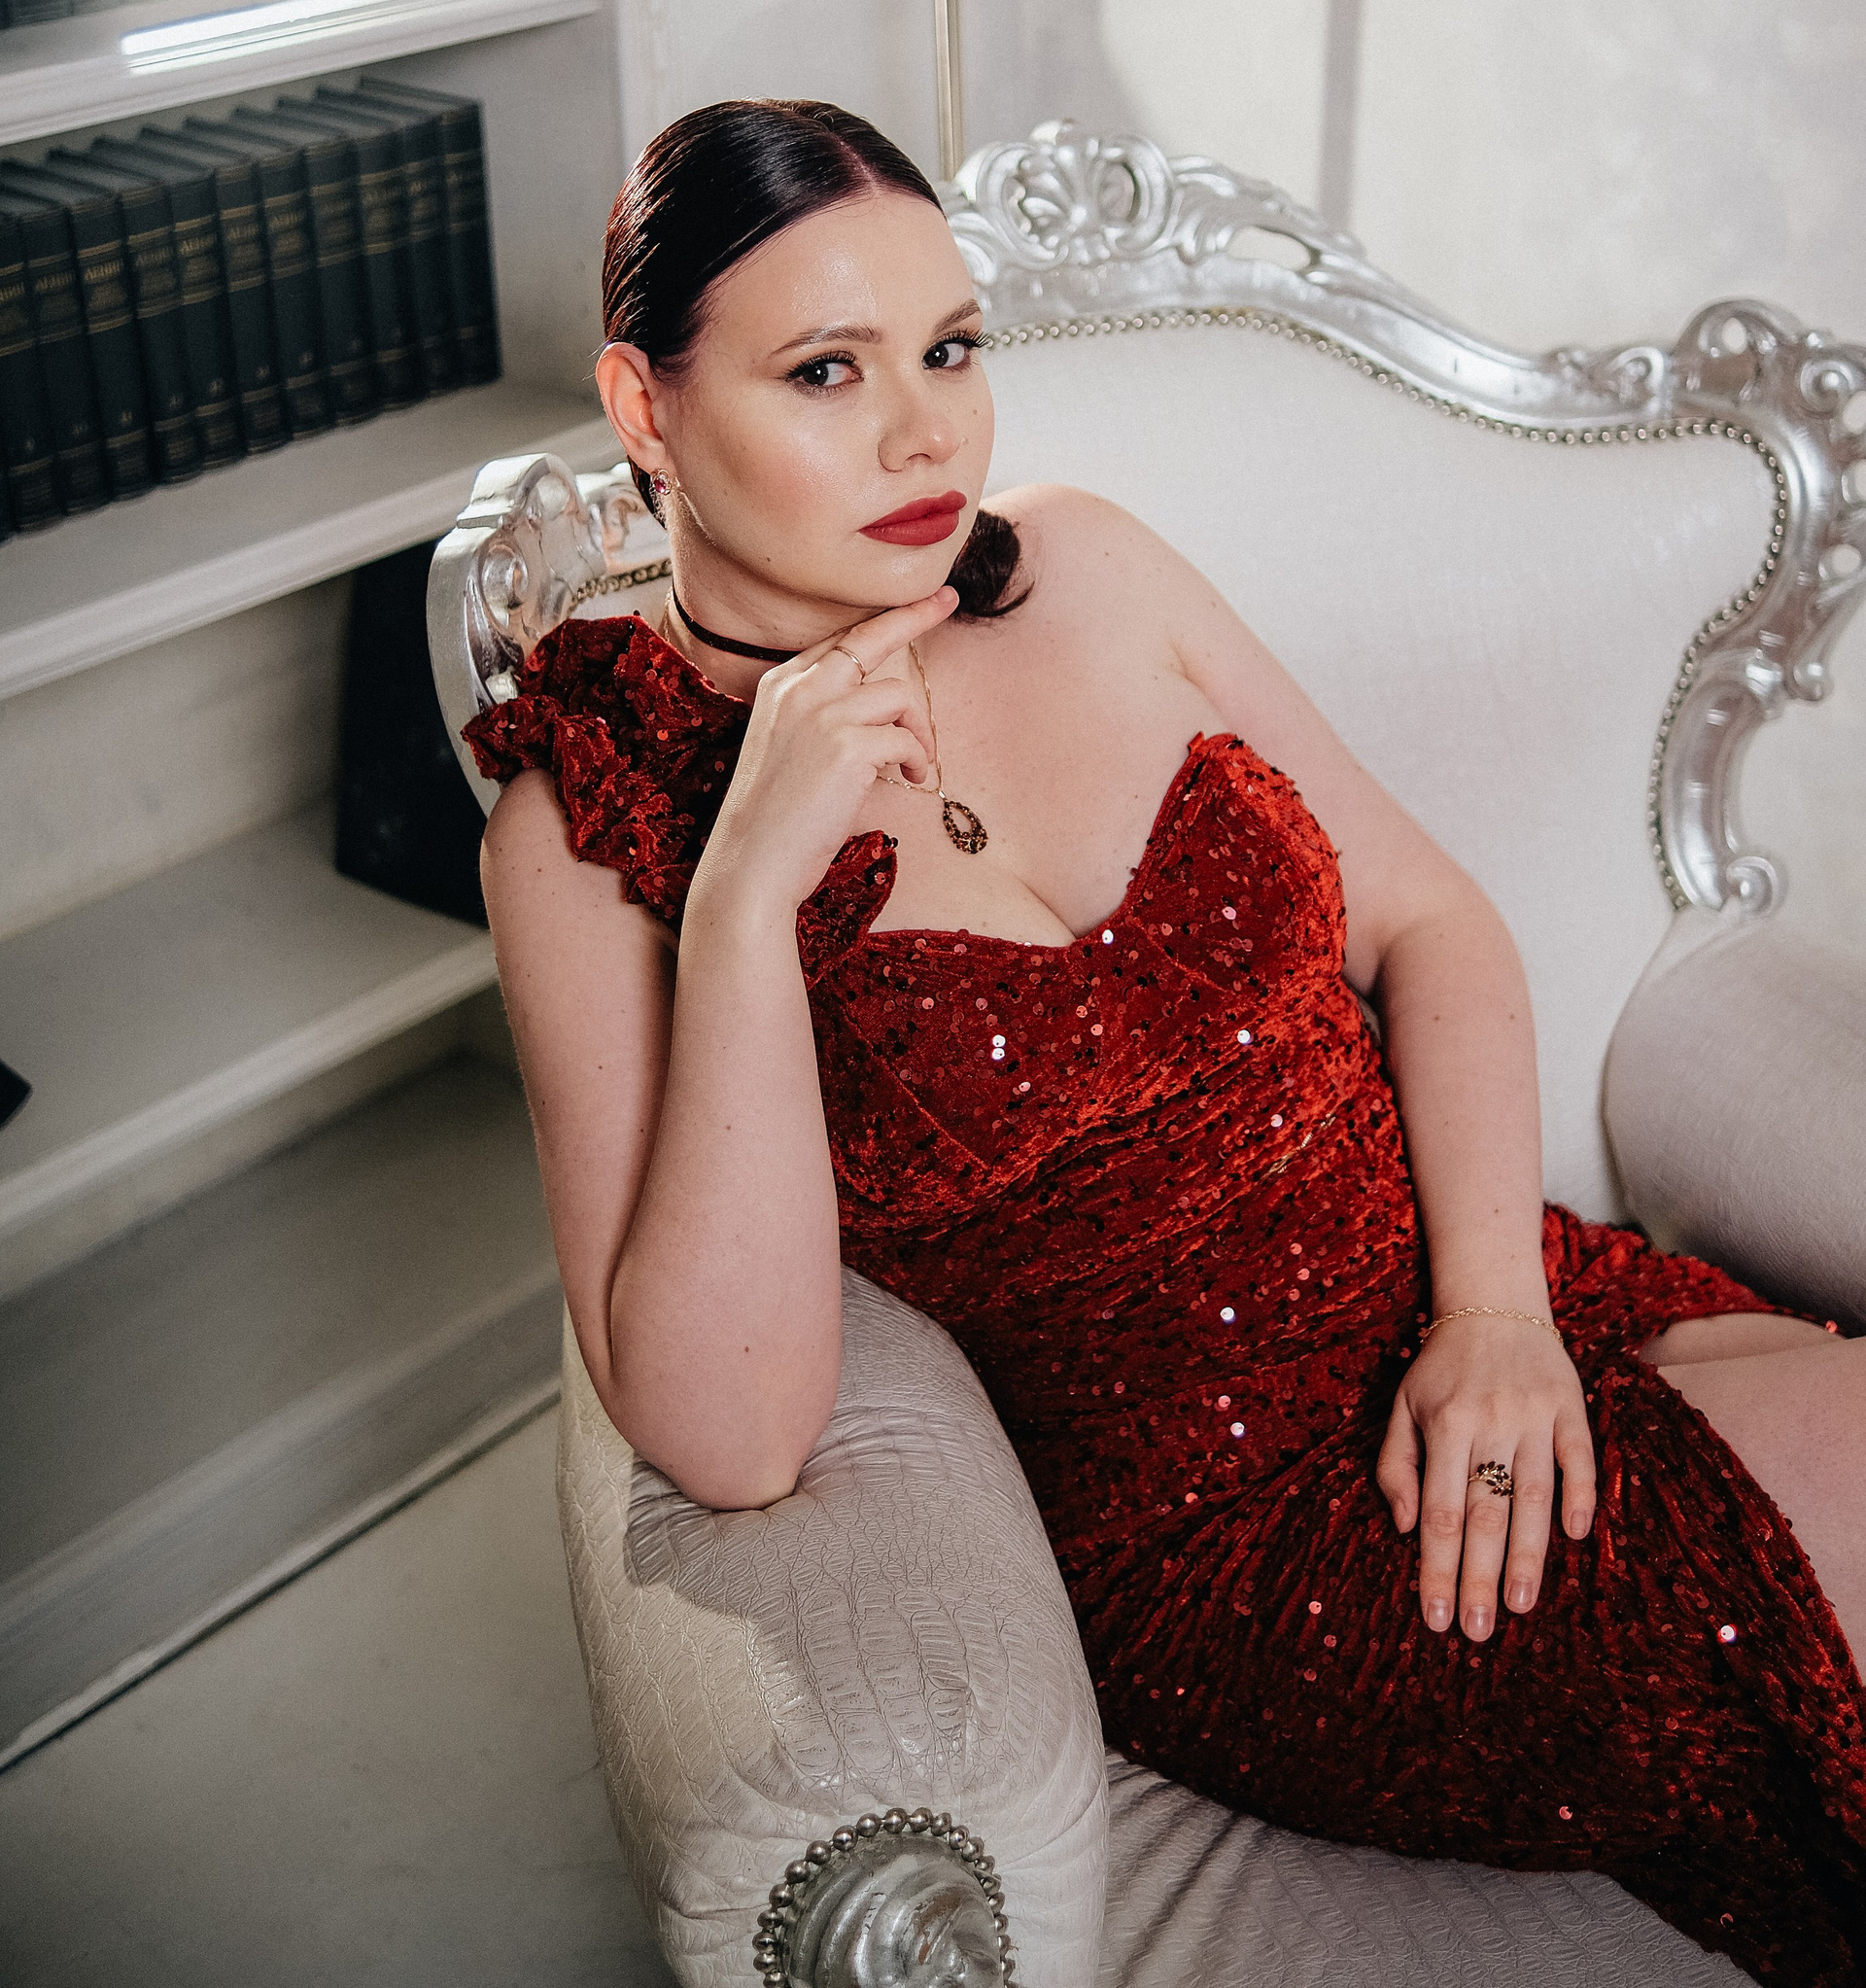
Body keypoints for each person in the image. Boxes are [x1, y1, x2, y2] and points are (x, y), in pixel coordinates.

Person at [469, 99, 1865, 1982]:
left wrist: (1494, 1316)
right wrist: (742, 900)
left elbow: (1435, 925)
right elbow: (730, 1428)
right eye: (827, 371)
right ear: (646, 409)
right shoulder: (583, 827)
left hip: (1500, 1302)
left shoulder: (1088, 570)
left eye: (951, 349)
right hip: (1258, 1534)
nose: (926, 434)